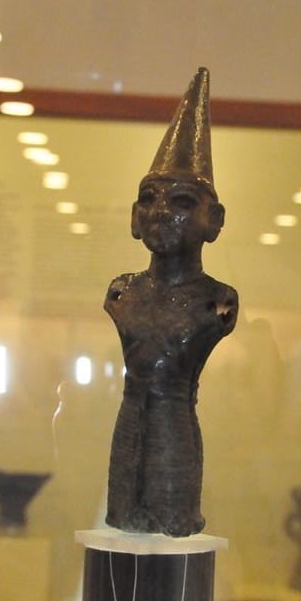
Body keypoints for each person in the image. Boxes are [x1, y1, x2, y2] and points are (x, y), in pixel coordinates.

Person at [104, 68, 238, 537]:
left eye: (182, 201)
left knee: (173, 526)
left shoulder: (216, 302)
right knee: (122, 528)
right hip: (128, 430)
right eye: (149, 199)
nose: (161, 212)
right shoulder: (122, 291)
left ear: (213, 220)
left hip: (174, 434)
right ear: (134, 219)